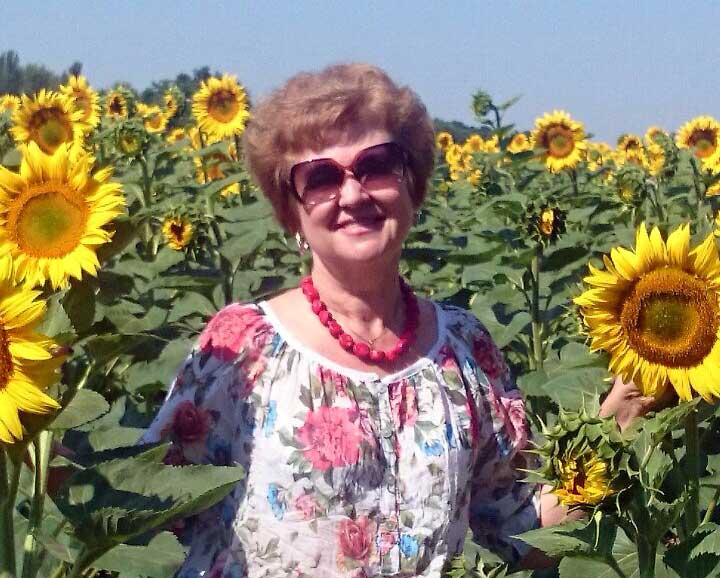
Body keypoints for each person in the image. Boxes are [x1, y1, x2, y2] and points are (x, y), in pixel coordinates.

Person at [139, 63, 655, 578]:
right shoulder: (242, 348)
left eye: (376, 166)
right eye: (319, 177)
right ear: (290, 213)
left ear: (413, 185)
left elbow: (528, 533)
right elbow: (139, 507)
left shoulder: (464, 349)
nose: (353, 194)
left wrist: (625, 411)